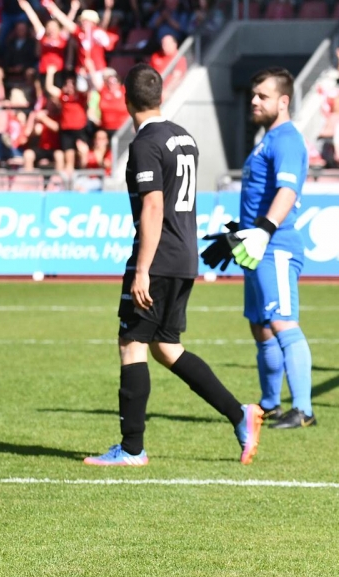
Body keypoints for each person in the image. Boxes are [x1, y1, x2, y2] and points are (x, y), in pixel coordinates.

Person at [84, 64, 264, 467]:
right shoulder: (184, 137)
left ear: (126, 100)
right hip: (184, 255)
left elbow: (153, 206)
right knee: (166, 348)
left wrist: (142, 269)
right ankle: (240, 414)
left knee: (131, 343)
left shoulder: (145, 143)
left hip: (159, 257)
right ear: (160, 96)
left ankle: (132, 449)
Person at [212, 67, 315, 429]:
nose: (254, 101)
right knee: (260, 326)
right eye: (254, 95)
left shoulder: (286, 139)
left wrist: (264, 231)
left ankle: (303, 409)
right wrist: (240, 234)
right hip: (256, 247)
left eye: (263, 96)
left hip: (276, 245)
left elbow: (287, 191)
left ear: (283, 101)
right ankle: (271, 403)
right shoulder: (268, 138)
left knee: (283, 322)